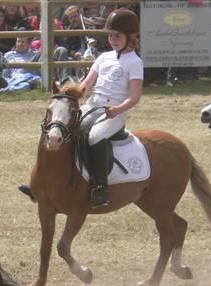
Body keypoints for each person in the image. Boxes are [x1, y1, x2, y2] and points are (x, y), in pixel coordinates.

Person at [77, 7, 143, 208]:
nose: (113, 39)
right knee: (60, 125)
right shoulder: (103, 57)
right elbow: (86, 85)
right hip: (92, 106)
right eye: (111, 35)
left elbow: (134, 96)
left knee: (95, 136)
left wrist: (118, 110)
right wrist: (69, 93)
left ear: (131, 36)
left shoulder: (135, 62)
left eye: (118, 35)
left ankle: (100, 187)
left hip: (114, 112)